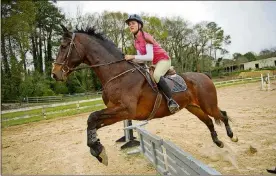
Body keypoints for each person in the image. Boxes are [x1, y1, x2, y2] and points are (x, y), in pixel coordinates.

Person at [124, 14, 179, 113]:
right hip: (156, 63)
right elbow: (141, 59)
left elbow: (149, 57)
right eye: (129, 24)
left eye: (133, 23)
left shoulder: (146, 37)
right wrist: (129, 60)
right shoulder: (136, 41)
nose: (130, 25)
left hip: (164, 59)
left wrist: (132, 56)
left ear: (139, 25)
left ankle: (172, 101)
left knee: (157, 75)